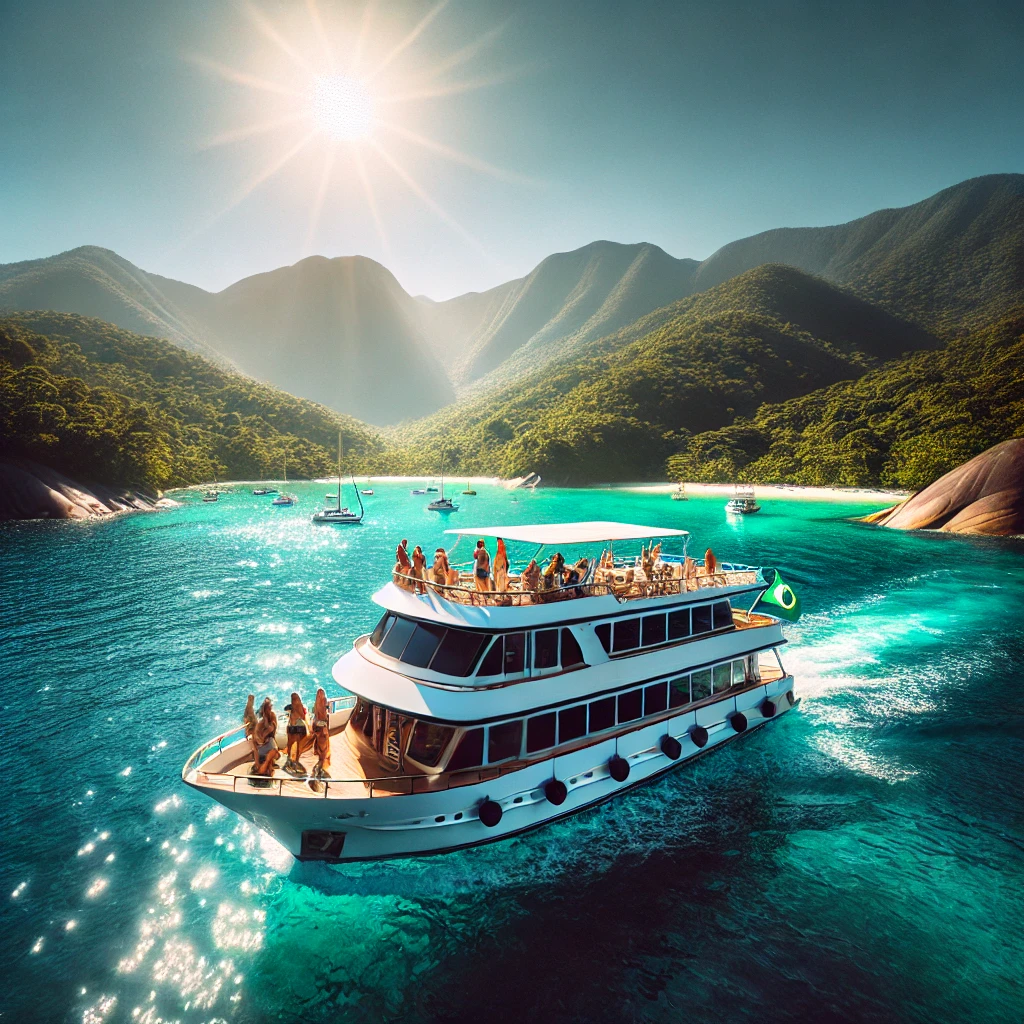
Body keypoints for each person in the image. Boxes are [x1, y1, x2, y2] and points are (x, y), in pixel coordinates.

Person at [251, 697, 280, 776]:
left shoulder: (271, 718)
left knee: (274, 754)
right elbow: (256, 748)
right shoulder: (259, 727)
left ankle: (267, 763)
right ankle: (266, 764)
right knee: (272, 754)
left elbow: (271, 729)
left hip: (268, 744)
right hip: (264, 747)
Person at [284, 691, 311, 773]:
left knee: (290, 744)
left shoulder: (291, 707)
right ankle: (296, 761)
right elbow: (305, 717)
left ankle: (290, 760)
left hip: (292, 728)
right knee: (299, 746)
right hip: (300, 728)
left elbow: (285, 709)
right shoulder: (303, 708)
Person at [311, 687, 331, 779]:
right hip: (321, 730)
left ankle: (319, 769)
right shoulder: (322, 704)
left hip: (321, 730)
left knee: (322, 750)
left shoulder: (319, 705)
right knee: (322, 751)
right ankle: (320, 769)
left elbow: (322, 718)